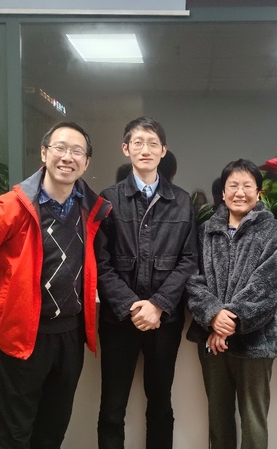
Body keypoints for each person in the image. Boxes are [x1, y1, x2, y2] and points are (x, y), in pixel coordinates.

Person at [0, 121, 111, 449]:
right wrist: (5, 286)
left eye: (77, 151)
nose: (67, 157)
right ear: (44, 153)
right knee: (16, 432)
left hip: (70, 335)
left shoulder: (89, 209)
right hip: (25, 333)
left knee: (53, 428)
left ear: (86, 162)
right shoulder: (14, 205)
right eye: (60, 148)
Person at [94, 116, 197, 449]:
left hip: (164, 322)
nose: (145, 149)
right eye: (138, 142)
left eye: (153, 143)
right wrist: (131, 306)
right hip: (118, 320)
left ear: (163, 151)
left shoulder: (181, 201)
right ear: (126, 148)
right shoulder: (108, 200)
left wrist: (158, 305)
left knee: (160, 403)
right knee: (112, 407)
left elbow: (188, 260)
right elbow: (100, 262)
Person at [186, 159, 277, 449]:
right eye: (233, 185)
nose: (240, 192)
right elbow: (192, 279)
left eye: (247, 186)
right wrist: (212, 315)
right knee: (218, 419)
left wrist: (228, 321)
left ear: (258, 192)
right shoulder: (206, 231)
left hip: (255, 342)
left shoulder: (273, 231)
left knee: (253, 420)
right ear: (223, 192)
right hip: (211, 340)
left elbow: (269, 285)